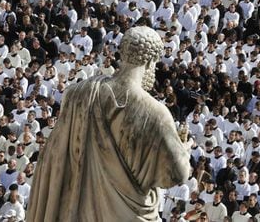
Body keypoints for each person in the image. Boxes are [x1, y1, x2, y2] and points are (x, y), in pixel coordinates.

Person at [27, 26, 190, 221]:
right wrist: (184, 150)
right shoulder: (156, 113)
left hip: (78, 211)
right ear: (150, 61)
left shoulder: (81, 92)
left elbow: (53, 156)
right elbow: (179, 173)